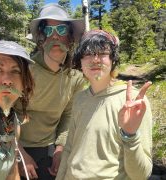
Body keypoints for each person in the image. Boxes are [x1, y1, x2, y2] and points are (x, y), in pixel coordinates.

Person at [56, 30, 153, 180]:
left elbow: (141, 175)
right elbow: (69, 148)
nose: (95, 59)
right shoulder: (80, 98)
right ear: (80, 62)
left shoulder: (133, 102)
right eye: (88, 54)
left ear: (113, 59)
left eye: (102, 53)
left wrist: (130, 136)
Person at [16, 3, 85, 180]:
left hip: (49, 149)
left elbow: (68, 116)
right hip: (13, 147)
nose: (55, 35)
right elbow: (1, 113)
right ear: (40, 38)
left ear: (70, 38)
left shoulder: (75, 78)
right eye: (48, 30)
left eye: (62, 29)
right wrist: (19, 152)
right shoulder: (23, 70)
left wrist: (60, 149)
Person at [0, 40, 34, 180]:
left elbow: (12, 174)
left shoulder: (13, 123)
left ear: (24, 83)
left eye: (15, 71)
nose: (7, 80)